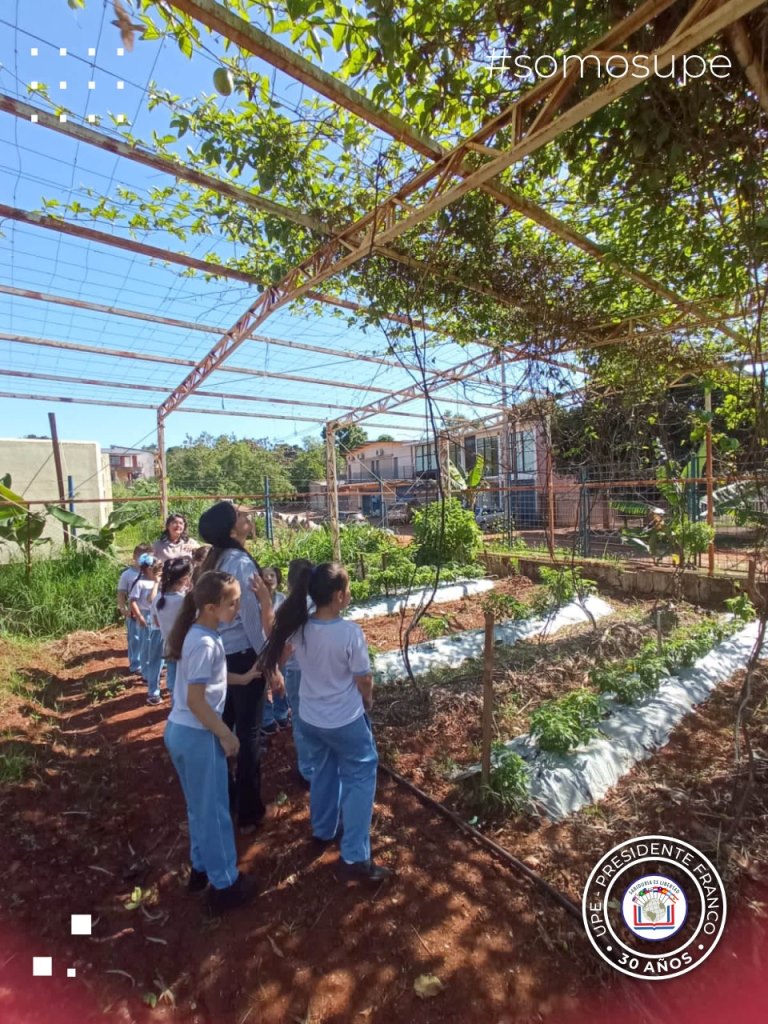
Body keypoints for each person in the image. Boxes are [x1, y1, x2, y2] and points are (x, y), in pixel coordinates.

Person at [260, 562, 391, 882]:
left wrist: (272, 675)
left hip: (311, 717)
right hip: (344, 719)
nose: (348, 594)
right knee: (361, 775)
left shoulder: (301, 627)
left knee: (324, 770)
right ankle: (356, 856)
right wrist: (368, 700)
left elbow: (282, 655)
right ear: (337, 596)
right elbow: (363, 678)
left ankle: (323, 828)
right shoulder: (349, 632)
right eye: (346, 590)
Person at [164, 570, 262, 916]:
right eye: (232, 603)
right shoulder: (205, 642)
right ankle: (226, 884)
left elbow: (211, 678)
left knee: (198, 808)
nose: (237, 608)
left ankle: (201, 868)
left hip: (180, 732)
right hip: (198, 734)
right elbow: (196, 700)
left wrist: (245, 676)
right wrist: (225, 732)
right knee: (216, 812)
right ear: (210, 606)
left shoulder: (200, 634)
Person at [197, 501, 282, 832]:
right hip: (246, 656)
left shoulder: (216, 558)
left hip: (222, 655)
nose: (249, 518)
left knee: (223, 726)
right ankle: (249, 811)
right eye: (242, 516)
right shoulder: (241, 563)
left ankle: (226, 796)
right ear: (233, 529)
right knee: (248, 734)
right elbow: (250, 619)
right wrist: (269, 663)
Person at [152, 556, 193, 698]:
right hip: (187, 649)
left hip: (169, 647)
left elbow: (156, 623)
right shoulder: (184, 601)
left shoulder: (158, 599)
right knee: (187, 685)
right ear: (185, 578)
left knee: (173, 684)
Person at [128, 553, 164, 705]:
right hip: (146, 615)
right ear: (149, 570)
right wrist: (139, 617)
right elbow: (133, 601)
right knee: (144, 644)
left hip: (157, 616)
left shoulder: (161, 583)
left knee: (156, 647)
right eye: (158, 570)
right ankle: (145, 671)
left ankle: (153, 671)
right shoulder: (141, 583)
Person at [260, 566, 290, 736]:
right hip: (262, 646)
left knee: (280, 680)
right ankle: (266, 718)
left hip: (279, 646)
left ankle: (281, 713)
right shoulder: (256, 600)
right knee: (263, 683)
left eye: (272, 575)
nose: (269, 578)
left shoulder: (282, 599)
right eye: (266, 576)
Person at [117, 543, 151, 675]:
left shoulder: (152, 573)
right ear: (134, 557)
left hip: (149, 612)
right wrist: (123, 608)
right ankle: (135, 664)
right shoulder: (127, 574)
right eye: (141, 556)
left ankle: (150, 662)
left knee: (149, 638)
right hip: (133, 613)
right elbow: (121, 594)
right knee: (135, 638)